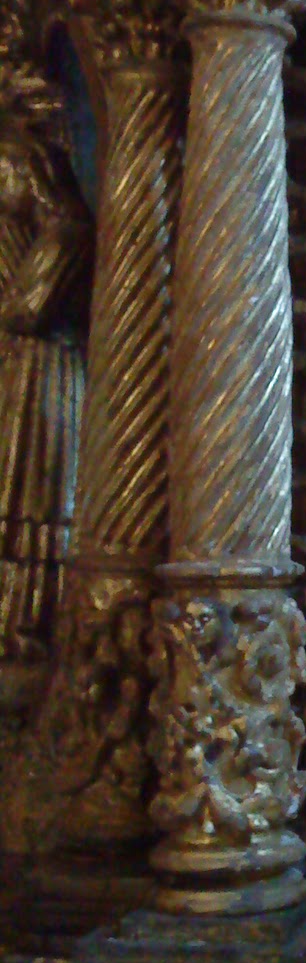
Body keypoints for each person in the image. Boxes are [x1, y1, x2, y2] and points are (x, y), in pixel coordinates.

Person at [0, 128, 90, 692]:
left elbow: (69, 225)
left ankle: (23, 623)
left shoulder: (17, 156)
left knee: (26, 490)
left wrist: (23, 303)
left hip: (31, 358)